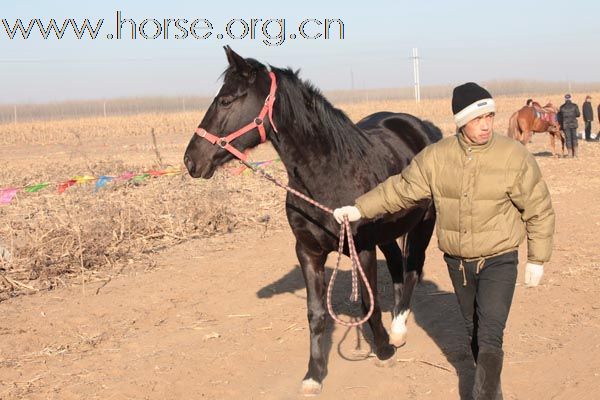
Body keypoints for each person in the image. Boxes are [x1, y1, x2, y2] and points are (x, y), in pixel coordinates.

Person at [333, 82, 555, 400]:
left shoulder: (512, 156)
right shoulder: (436, 157)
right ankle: (491, 386)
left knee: (491, 333)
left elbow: (539, 207)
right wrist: (358, 208)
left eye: (490, 117)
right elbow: (400, 189)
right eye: (479, 119)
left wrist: (537, 257)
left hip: (499, 258)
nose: (486, 125)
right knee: (474, 331)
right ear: (462, 121)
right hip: (459, 263)